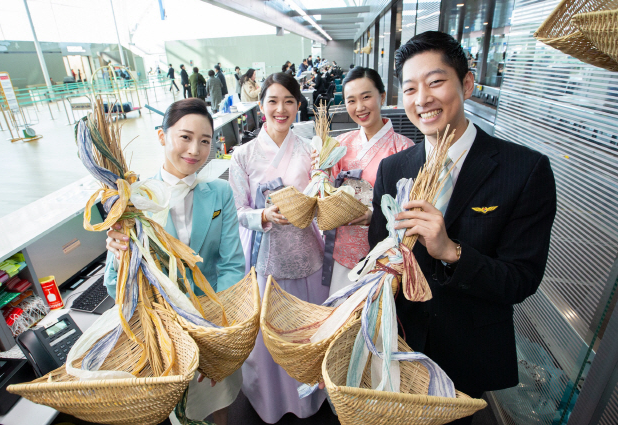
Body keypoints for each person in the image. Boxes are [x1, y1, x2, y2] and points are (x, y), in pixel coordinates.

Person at [368, 31, 557, 425]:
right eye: (410, 88)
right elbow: (376, 248)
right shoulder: (394, 168)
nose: (422, 99)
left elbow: (521, 279)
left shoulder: (524, 170)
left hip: (467, 347)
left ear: (466, 84)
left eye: (436, 82)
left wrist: (451, 251)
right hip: (399, 342)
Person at [104, 98, 245, 425]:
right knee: (179, 412)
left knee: (217, 404)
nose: (195, 149)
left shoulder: (220, 193)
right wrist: (118, 254)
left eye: (206, 140)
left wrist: (212, 329)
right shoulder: (133, 200)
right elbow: (115, 284)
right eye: (185, 136)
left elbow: (232, 265)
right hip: (162, 332)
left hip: (212, 323)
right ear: (161, 135)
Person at [229, 72, 328, 424]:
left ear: (298, 106)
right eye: (272, 101)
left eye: (288, 101)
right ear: (261, 106)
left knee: (306, 335)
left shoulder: (313, 149)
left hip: (308, 258)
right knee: (270, 343)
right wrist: (264, 215)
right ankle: (271, 403)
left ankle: (310, 401)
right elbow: (238, 212)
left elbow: (323, 200)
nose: (280, 109)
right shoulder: (242, 156)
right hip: (267, 262)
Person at [315, 67, 414, 294]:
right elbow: (324, 193)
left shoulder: (404, 148)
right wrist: (319, 170)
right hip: (343, 251)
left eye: (366, 97)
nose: (359, 107)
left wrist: (374, 215)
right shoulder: (339, 144)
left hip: (384, 256)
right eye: (351, 100)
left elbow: (408, 209)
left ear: (382, 96)